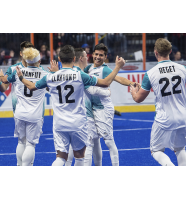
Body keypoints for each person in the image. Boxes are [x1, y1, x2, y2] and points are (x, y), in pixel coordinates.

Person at [15, 45, 125, 166]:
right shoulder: (80, 75)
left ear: (59, 59)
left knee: (61, 158)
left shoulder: (50, 76)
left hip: (59, 123)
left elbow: (31, 86)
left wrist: (21, 77)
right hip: (78, 122)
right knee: (79, 157)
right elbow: (106, 82)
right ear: (74, 58)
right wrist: (118, 67)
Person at [130, 38, 186, 166]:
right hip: (183, 117)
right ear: (170, 51)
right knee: (180, 149)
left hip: (164, 119)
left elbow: (138, 98)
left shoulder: (150, 74)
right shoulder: (182, 69)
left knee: (156, 150)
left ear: (155, 52)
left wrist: (133, 91)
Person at [84, 43, 136, 166]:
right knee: (94, 141)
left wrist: (131, 83)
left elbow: (118, 79)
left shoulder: (105, 69)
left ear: (105, 57)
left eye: (101, 55)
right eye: (96, 54)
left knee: (108, 142)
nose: (97, 57)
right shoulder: (88, 68)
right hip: (91, 110)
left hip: (103, 109)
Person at [0, 47, 49, 166]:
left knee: (21, 142)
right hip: (35, 114)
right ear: (39, 61)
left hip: (19, 113)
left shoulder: (17, 72)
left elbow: (4, 80)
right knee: (30, 144)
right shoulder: (45, 74)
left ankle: (19, 166)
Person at [65, 48, 111, 166]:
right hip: (85, 114)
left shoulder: (65, 72)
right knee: (89, 144)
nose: (88, 58)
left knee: (72, 145)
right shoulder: (82, 74)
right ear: (81, 58)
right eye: (86, 56)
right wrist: (107, 92)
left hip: (67, 114)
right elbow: (99, 86)